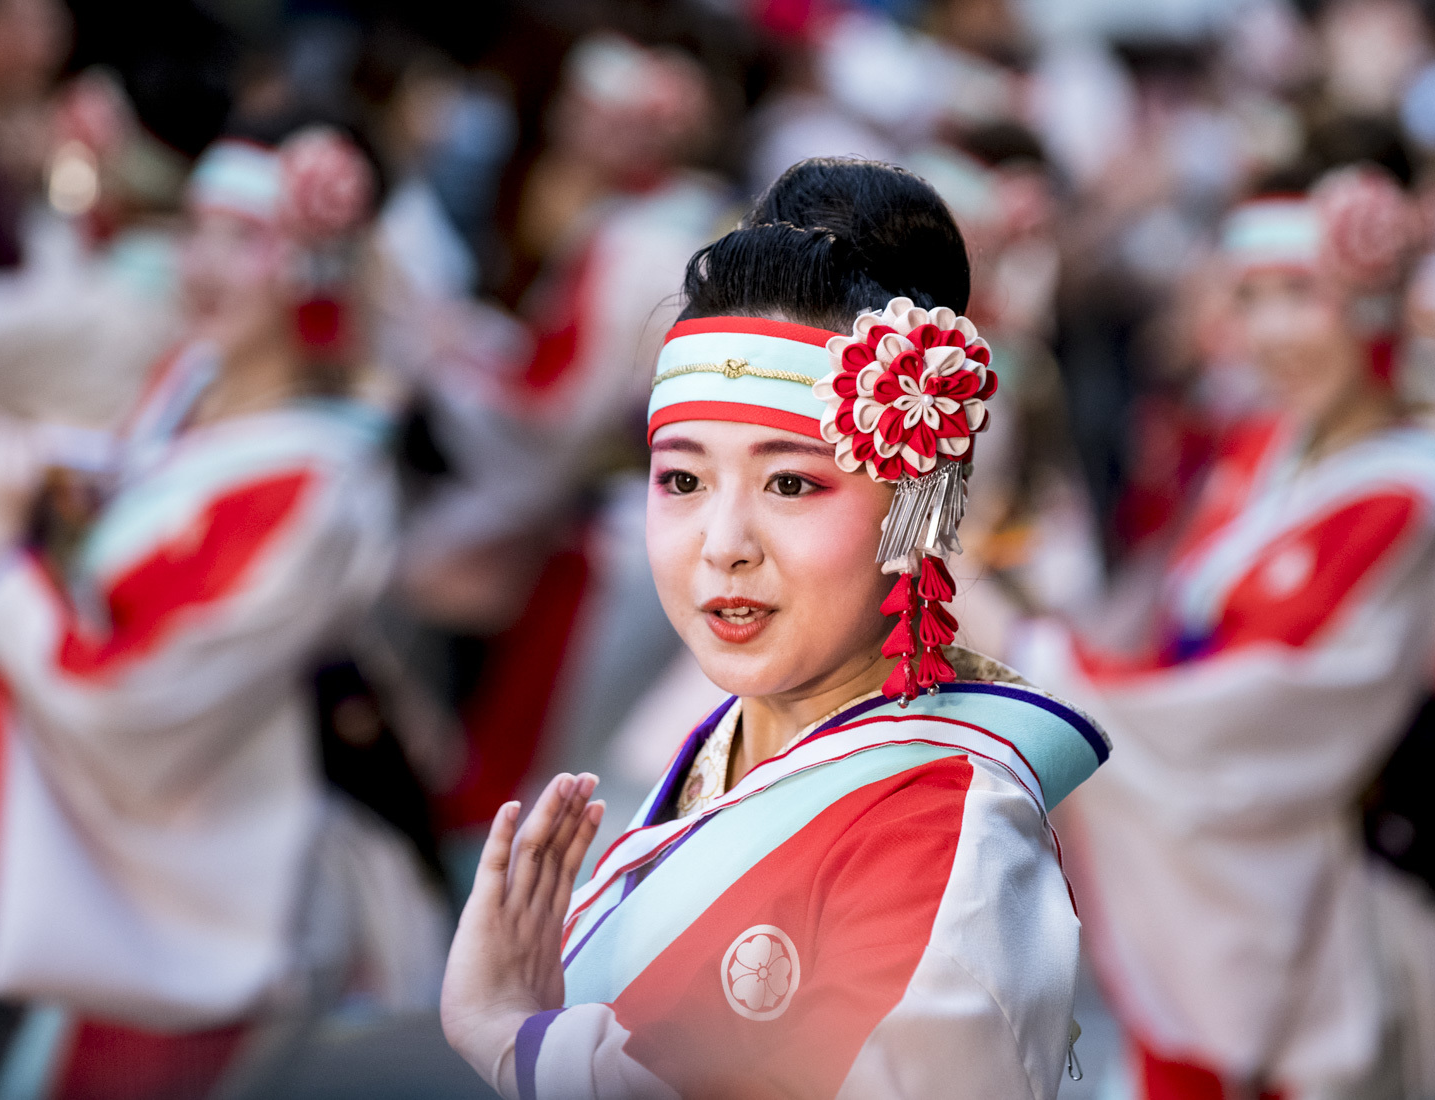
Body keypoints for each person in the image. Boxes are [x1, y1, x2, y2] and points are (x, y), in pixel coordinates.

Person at [440, 158, 1109, 1099]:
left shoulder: (947, 841)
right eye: (682, 480)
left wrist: (516, 1037)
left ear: (912, 504)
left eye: (791, 483)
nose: (723, 546)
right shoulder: (731, 746)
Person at [0, 128, 445, 1098]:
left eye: (247, 238)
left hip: (184, 892)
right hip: (111, 855)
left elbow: (129, 692)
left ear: (319, 265)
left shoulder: (321, 483)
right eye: (196, 230)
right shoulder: (193, 382)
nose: (202, 264)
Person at [1016, 166, 1435, 1099]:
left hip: (1330, 878)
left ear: (1373, 304)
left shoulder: (1416, 489)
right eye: (1252, 299)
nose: (1271, 334)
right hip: (1235, 864)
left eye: (1302, 297)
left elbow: (1267, 698)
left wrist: (1052, 670)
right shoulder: (1263, 443)